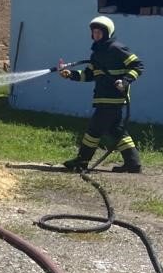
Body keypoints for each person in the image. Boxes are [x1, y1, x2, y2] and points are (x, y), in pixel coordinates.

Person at [58, 16, 145, 173]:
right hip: (103, 98)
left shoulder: (117, 48)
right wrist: (70, 74)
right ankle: (133, 163)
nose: (96, 35)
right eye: (94, 32)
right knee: (116, 130)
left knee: (94, 129)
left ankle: (82, 161)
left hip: (113, 98)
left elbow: (138, 66)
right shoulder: (97, 53)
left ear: (107, 33)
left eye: (99, 32)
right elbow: (89, 75)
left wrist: (125, 81)